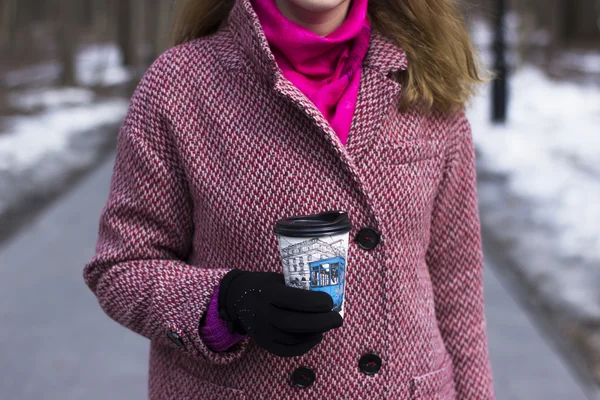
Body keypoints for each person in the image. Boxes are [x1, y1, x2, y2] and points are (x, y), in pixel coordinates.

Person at [82, 0, 496, 398]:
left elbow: (457, 290)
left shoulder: (423, 79)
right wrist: (225, 301)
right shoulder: (180, 84)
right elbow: (120, 268)